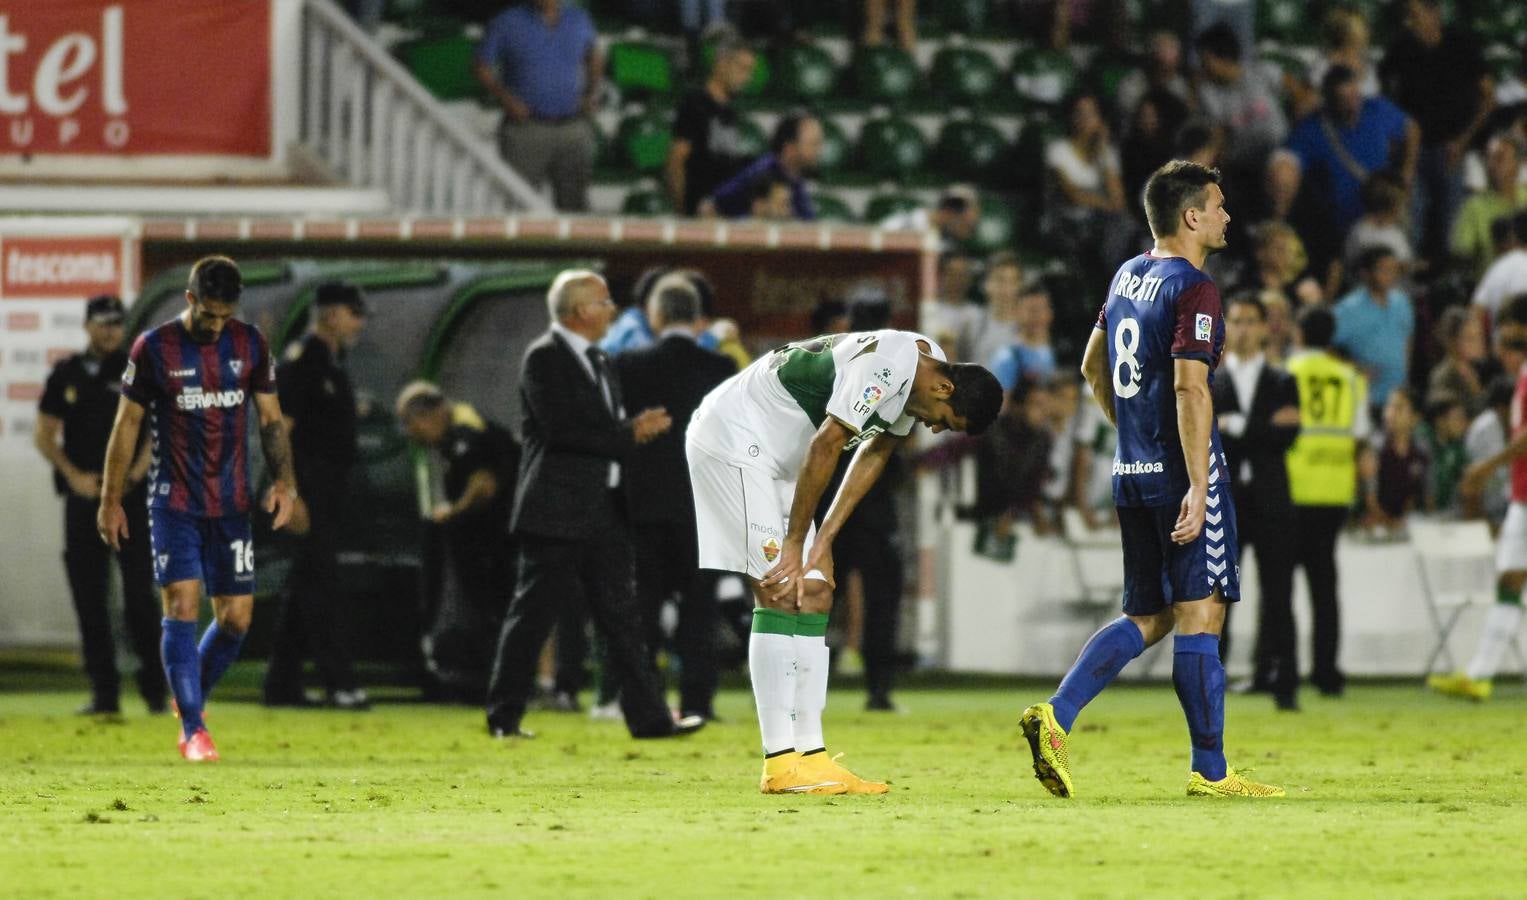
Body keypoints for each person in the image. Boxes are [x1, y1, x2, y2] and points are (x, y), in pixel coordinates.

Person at [1021, 159, 1285, 799]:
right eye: (1219, 205)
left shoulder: (1126, 276)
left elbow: (1092, 365)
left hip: (1130, 471)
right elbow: (1193, 389)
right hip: (1180, 472)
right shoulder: (1194, 288)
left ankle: (1057, 715)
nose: (1227, 216)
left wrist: (1130, 429)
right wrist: (1199, 484)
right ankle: (1212, 773)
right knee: (1202, 614)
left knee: (1150, 612)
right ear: (1192, 217)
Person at [687, 323, 1000, 794]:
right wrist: (796, 542)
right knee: (778, 588)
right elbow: (828, 443)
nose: (933, 427)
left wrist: (823, 540)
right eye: (943, 418)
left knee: (814, 591)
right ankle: (779, 764)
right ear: (943, 386)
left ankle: (811, 757)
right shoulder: (888, 365)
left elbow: (874, 453)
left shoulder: (928, 360)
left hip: (782, 460)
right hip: (735, 441)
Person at [484, 270, 703, 741]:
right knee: (534, 616)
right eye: (604, 302)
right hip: (556, 509)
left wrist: (630, 429)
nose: (613, 311)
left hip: (604, 507)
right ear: (581, 311)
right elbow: (561, 430)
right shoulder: (544, 358)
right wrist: (629, 433)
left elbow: (595, 430)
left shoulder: (600, 359)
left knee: (624, 619)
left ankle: (650, 720)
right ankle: (504, 716)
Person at [97, 256, 298, 762]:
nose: (215, 326)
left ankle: (189, 700)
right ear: (190, 300)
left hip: (230, 505)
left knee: (235, 620)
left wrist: (284, 483)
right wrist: (110, 499)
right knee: (183, 604)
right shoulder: (154, 348)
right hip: (174, 503)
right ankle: (192, 728)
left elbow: (272, 421)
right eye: (208, 315)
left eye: (224, 316)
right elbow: (126, 426)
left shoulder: (250, 344)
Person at [35, 295, 166, 716]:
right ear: (87, 326)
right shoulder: (66, 374)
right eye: (103, 323)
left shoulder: (137, 369)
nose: (110, 330)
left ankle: (155, 692)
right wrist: (74, 476)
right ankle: (105, 694)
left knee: (140, 600)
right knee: (89, 599)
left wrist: (133, 475)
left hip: (127, 499)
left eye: (116, 323)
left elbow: (154, 430)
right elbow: (44, 434)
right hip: (83, 498)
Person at [613, 281, 737, 721]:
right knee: (700, 612)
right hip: (704, 510)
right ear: (697, 316)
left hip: (643, 507)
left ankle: (644, 703)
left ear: (655, 316)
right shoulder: (721, 368)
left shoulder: (628, 365)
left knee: (643, 610)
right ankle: (698, 703)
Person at [263, 282, 370, 710]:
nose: (359, 322)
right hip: (308, 487)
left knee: (306, 585)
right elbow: (279, 430)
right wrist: (289, 492)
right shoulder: (303, 359)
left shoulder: (330, 360)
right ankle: (339, 682)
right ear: (329, 314)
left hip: (328, 489)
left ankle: (281, 685)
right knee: (320, 586)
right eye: (353, 313)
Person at [396, 382, 520, 701]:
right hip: (497, 534)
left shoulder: (466, 432)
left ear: (429, 414)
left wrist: (453, 512)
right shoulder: (457, 427)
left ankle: (503, 682)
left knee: (502, 607)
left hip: (503, 535)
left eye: (411, 423)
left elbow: (484, 485)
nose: (411, 433)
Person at [1211, 293, 1301, 709]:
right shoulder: (1211, 380)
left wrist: (1237, 424)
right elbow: (1208, 434)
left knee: (1279, 593)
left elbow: (1289, 435)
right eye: (1238, 320)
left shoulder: (1284, 381)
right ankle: (1212, 685)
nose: (1244, 328)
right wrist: (1262, 427)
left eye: (1252, 320)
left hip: (1272, 502)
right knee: (1219, 595)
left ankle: (1284, 683)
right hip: (1226, 500)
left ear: (1266, 328)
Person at [1435, 298, 1527, 700]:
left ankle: (1480, 673)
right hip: (1522, 494)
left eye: (1508, 341)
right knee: (1511, 578)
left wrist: (1485, 468)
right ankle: (1480, 673)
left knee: (1511, 578)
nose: (1500, 351)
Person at [1285, 306, 1371, 697]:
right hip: (1335, 490)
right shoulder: (1351, 379)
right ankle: (1326, 672)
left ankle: (1280, 669)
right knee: (1325, 586)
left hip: (1292, 488)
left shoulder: (1286, 373)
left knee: (1280, 586)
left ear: (1299, 334)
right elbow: (1361, 440)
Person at [1379, 0, 1494, 260]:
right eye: (1406, 16)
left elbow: (1488, 98)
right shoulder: (1401, 49)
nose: (1409, 22)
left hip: (1450, 149)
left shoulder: (1462, 46)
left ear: (1435, 14)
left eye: (1414, 15)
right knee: (1411, 226)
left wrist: (1463, 141)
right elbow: (1385, 97)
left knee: (1450, 229)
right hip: (1413, 151)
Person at [474, 0, 600, 212]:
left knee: (576, 206)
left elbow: (594, 56)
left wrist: (590, 93)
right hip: (526, 128)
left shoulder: (578, 18)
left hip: (572, 126)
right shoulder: (507, 21)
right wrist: (506, 99)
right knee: (519, 204)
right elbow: (481, 66)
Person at [1285, 65, 1418, 244]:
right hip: (1342, 223)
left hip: (1385, 211)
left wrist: (1407, 171)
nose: (1352, 105)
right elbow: (1289, 162)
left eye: (1355, 97)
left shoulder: (1376, 109)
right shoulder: (1312, 129)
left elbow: (1411, 128)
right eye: (1343, 99)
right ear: (1330, 99)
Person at [666, 32, 757, 215]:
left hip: (722, 211)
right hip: (699, 211)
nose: (747, 78)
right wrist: (685, 210)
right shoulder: (695, 104)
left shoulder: (730, 112)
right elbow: (676, 160)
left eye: (750, 71)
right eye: (742, 69)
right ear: (722, 64)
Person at [1333, 245, 1414, 417]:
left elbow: (1407, 339)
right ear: (1366, 273)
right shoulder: (1347, 309)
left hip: (1397, 398)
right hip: (1365, 399)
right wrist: (1354, 369)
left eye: (1394, 269)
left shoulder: (1402, 303)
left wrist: (1404, 371)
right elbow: (1326, 348)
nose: (1390, 275)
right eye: (1384, 269)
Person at [707, 113, 822, 220]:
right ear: (789, 148)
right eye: (813, 144)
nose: (818, 151)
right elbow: (712, 206)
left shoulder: (796, 177)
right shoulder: (759, 174)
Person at [1451, 136, 1527, 279]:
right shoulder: (1474, 207)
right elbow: (1461, 253)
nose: (1491, 165)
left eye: (1499, 158)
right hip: (1493, 287)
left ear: (1518, 164)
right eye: (1489, 158)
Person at [989, 287, 1057, 391]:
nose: (1037, 316)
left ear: (1050, 313)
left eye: (1042, 309)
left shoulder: (1056, 352)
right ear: (1017, 313)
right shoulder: (1007, 358)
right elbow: (1002, 404)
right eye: (1031, 310)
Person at [878, 186, 981, 252]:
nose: (968, 233)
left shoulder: (951, 246)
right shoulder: (896, 226)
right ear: (948, 212)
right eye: (966, 225)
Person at [1427, 306, 1488, 418]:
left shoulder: (1481, 369)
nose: (1479, 344)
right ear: (1452, 341)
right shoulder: (1443, 377)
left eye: (1479, 336)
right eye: (1470, 338)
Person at [920, 251, 981, 362]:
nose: (957, 280)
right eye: (952, 273)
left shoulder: (977, 314)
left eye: (962, 274)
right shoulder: (929, 310)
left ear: (969, 278)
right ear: (942, 275)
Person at [969, 251, 1025, 369]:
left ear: (1019, 286)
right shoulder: (971, 325)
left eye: (1012, 282)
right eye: (999, 280)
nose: (1006, 289)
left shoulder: (1029, 326)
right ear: (986, 284)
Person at [1473, 213, 1527, 324]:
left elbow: (1475, 315)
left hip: (1502, 338)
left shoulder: (1499, 267)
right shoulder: (1503, 266)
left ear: (1514, 236)